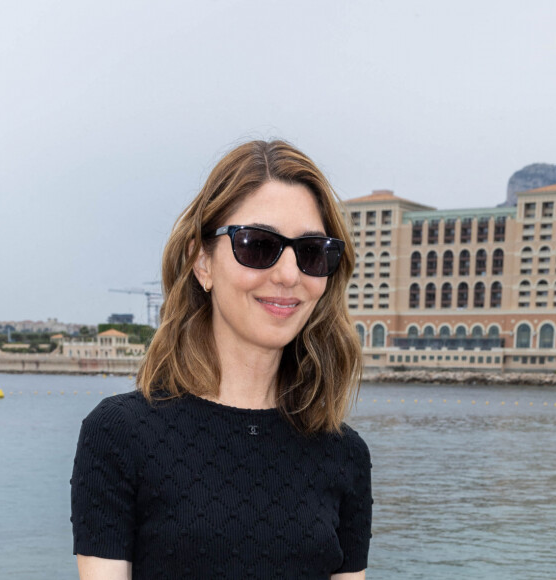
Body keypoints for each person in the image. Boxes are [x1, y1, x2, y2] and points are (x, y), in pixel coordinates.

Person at [71, 139, 373, 579]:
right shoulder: (119, 435)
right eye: (257, 245)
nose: (289, 275)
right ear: (202, 262)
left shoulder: (345, 454)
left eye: (311, 252)